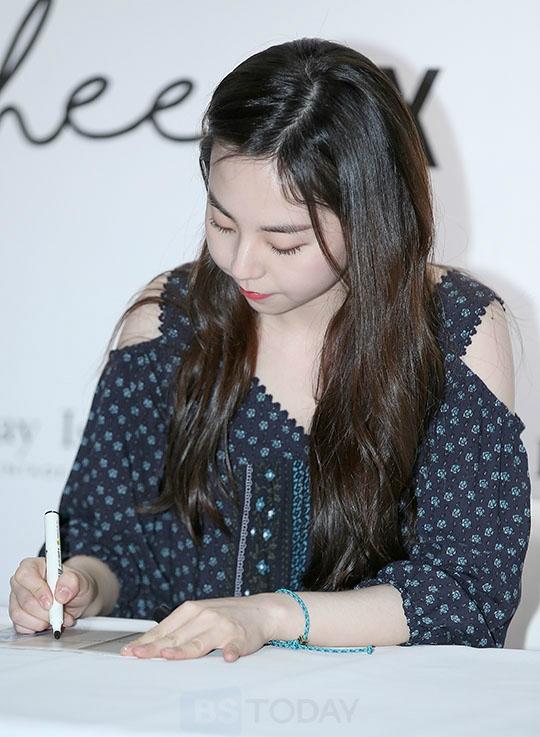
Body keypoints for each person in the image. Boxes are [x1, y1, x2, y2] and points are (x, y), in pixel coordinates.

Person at [8, 37, 530, 661]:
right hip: (177, 700)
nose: (241, 264)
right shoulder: (170, 322)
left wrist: (270, 615)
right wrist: (79, 584)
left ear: (371, 219)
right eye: (222, 222)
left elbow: (468, 593)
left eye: (285, 243)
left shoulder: (453, 330)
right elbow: (113, 542)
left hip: (383, 703)